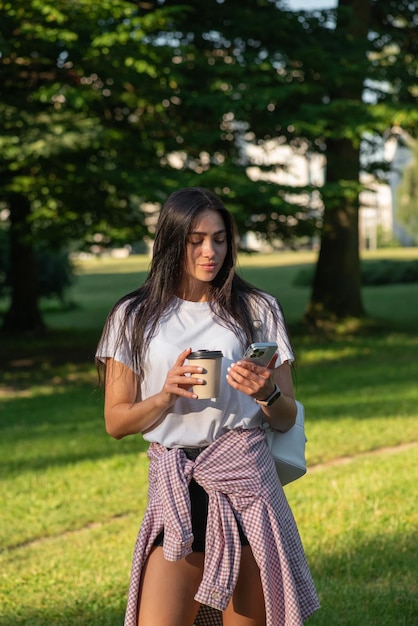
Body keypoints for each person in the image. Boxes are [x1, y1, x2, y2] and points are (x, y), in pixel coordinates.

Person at [96, 187, 320, 626]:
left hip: (247, 489)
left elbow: (287, 414)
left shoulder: (257, 309)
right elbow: (116, 421)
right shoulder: (133, 315)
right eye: (196, 240)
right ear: (171, 241)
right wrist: (163, 395)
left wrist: (265, 393)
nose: (209, 251)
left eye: (219, 239)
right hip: (176, 489)